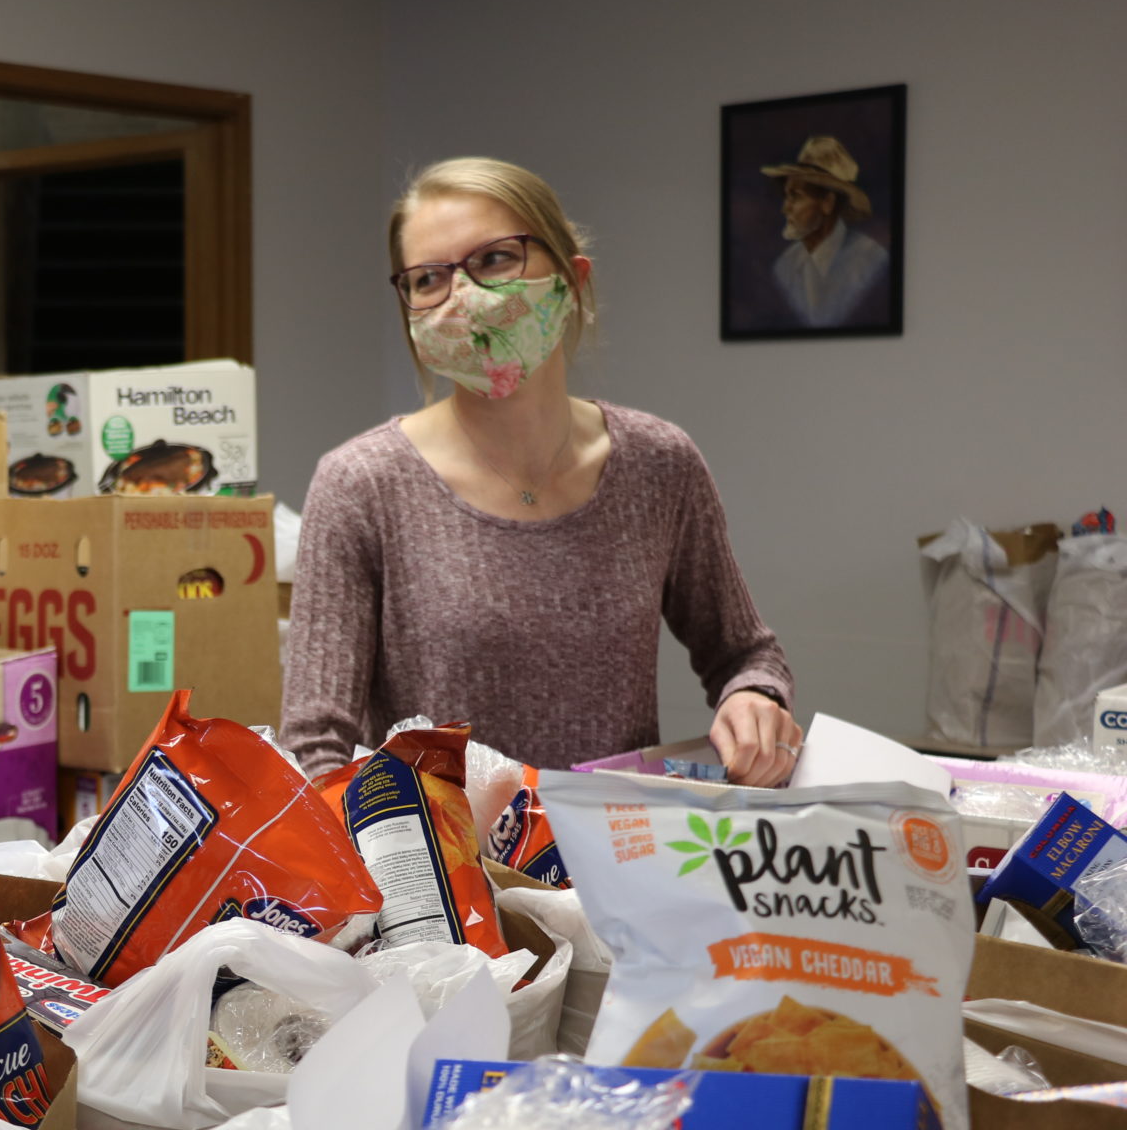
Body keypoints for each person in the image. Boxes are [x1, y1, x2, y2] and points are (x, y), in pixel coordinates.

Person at [281, 158, 799, 787]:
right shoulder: (361, 484)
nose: (464, 298)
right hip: (439, 850)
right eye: (429, 278)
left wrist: (755, 699)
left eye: (495, 259)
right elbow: (314, 746)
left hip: (616, 843)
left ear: (572, 280)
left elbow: (746, 654)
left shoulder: (659, 464)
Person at [763, 135, 889, 328]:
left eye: (796, 196)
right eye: (786, 196)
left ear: (827, 203)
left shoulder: (872, 260)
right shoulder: (785, 266)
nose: (785, 208)